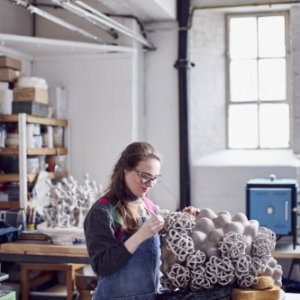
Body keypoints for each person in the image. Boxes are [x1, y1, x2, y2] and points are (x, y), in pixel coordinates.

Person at [84, 142, 200, 300]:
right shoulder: (102, 211)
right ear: (125, 169)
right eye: (145, 176)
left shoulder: (148, 206)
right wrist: (140, 235)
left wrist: (182, 218)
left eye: (154, 178)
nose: (150, 184)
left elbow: (167, 237)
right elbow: (102, 266)